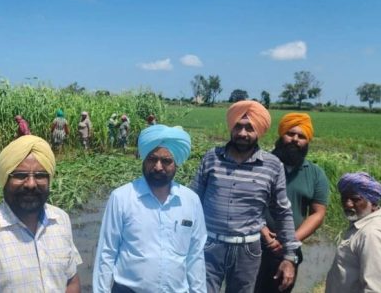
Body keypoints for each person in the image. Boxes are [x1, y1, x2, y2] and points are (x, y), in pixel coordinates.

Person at [191, 100, 301, 293]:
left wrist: (289, 256)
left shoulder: (272, 165)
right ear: (231, 128)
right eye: (238, 127)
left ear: (259, 130)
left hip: (247, 250)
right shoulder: (212, 157)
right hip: (209, 245)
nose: (242, 133)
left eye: (249, 128)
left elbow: (282, 212)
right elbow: (192, 201)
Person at [0, 135, 82, 292]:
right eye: (20, 176)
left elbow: (71, 280)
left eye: (40, 175)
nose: (31, 184)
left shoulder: (61, 220)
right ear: (5, 180)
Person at [93, 125, 207, 293]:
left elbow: (195, 256)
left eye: (166, 161)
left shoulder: (191, 201)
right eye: (152, 159)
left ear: (176, 164)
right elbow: (106, 252)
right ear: (144, 159)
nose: (158, 167)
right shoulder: (122, 197)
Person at [255, 113, 330, 293]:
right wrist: (263, 231)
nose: (295, 139)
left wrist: (290, 240)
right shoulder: (258, 164)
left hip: (288, 252)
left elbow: (317, 213)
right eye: (290, 133)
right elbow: (243, 202)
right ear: (281, 136)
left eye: (301, 136)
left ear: (307, 141)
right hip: (252, 245)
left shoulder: (315, 174)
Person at [325, 172, 381, 293]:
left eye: (355, 199)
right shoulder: (363, 225)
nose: (348, 204)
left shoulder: (372, 235)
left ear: (373, 203)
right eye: (345, 198)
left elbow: (376, 289)